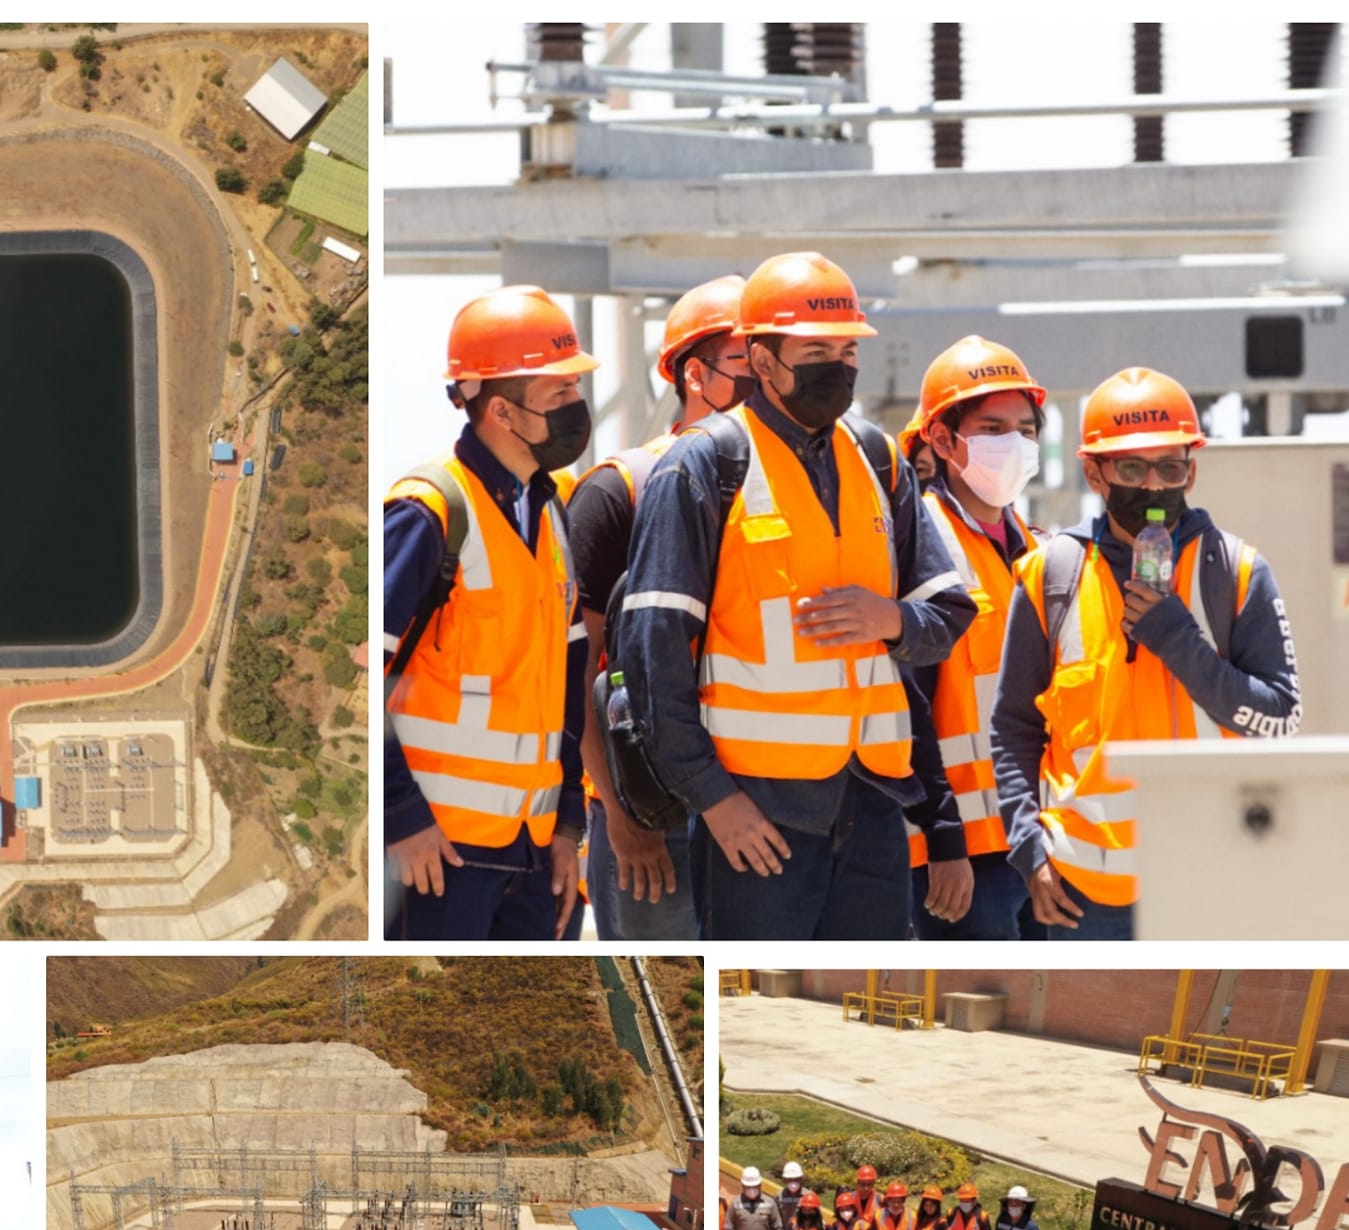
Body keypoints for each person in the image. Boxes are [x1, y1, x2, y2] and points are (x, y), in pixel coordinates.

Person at [616, 250, 978, 939]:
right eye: (815, 349)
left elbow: (948, 613)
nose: (837, 366)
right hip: (757, 812)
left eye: (847, 350)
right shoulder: (702, 465)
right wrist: (714, 801)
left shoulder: (878, 460)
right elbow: (650, 651)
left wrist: (892, 618)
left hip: (872, 804)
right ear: (760, 357)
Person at [991, 366, 1300, 939]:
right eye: (1132, 467)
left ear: (1192, 469)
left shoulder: (1236, 574)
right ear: (1094, 472)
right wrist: (1029, 852)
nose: (1154, 485)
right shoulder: (1048, 576)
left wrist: (1177, 638)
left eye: (1170, 467)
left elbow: (1279, 720)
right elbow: (1013, 728)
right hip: (1082, 894)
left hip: (1207, 886)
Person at [383, 286, 594, 941]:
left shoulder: (553, 513)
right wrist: (400, 818)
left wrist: (565, 823)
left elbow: (562, 689)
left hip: (531, 859)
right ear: (500, 410)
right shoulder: (429, 513)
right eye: (557, 393)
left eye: (573, 389)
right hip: (436, 860)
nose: (575, 407)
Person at [567, 274, 749, 940]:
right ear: (694, 373)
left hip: (762, 807)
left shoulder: (788, 503)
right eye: (744, 360)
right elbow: (578, 671)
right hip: (653, 816)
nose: (763, 375)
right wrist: (619, 815)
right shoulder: (620, 493)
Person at [901, 337, 1050, 939]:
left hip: (1034, 842)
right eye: (992, 427)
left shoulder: (1037, 551)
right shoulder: (919, 546)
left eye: (1024, 428)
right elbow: (907, 707)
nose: (1012, 443)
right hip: (960, 856)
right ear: (941, 438)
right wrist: (943, 839)